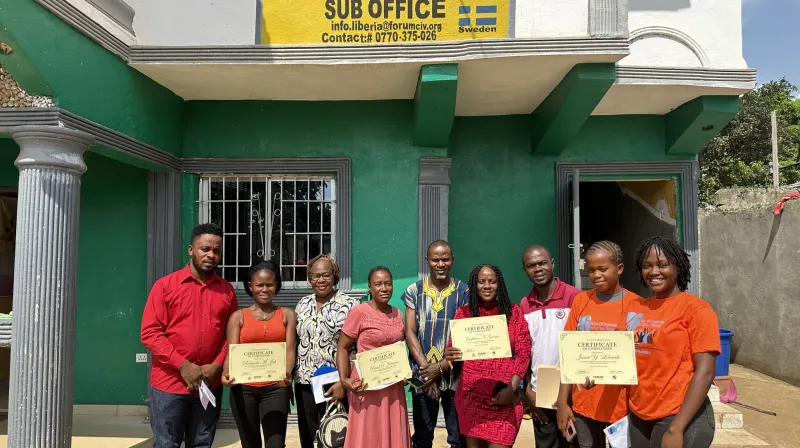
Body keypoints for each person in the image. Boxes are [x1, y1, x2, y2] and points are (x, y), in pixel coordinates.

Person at [141, 223, 238, 448]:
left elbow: (232, 335)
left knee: (202, 443)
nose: (211, 255)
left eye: (216, 251)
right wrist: (183, 365)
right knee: (167, 444)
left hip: (209, 383)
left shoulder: (226, 290)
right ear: (191, 250)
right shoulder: (165, 286)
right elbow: (150, 333)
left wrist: (217, 364)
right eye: (205, 249)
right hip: (170, 385)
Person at [626, 237, 720, 448]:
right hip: (640, 414)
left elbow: (705, 372)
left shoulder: (696, 310)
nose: (653, 271)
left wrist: (676, 427)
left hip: (678, 415)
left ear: (678, 266)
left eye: (662, 264)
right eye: (646, 266)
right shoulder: (638, 308)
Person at [556, 241, 639, 448]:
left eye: (603, 269)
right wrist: (562, 401)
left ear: (619, 268)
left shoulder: (637, 306)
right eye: (591, 270)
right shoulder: (581, 301)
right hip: (585, 401)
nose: (596, 275)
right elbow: (569, 355)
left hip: (621, 405)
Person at [445, 265, 532, 448]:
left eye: (492, 281)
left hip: (504, 396)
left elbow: (524, 352)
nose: (487, 286)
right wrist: (450, 353)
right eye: (482, 281)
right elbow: (454, 348)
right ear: (474, 285)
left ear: (498, 284)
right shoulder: (464, 313)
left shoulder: (513, 312)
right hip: (471, 398)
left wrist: (512, 388)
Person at [221, 260, 297, 448]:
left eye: (270, 284)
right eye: (259, 285)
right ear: (250, 286)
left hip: (275, 388)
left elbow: (289, 350)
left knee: (276, 443)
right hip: (243, 389)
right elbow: (232, 352)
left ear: (276, 285)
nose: (265, 289)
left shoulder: (287, 315)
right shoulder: (238, 317)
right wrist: (226, 374)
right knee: (250, 443)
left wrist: (287, 373)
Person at [337, 266, 411, 448]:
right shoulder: (359, 312)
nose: (383, 288)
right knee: (368, 433)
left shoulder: (398, 313)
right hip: (366, 385)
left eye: (388, 284)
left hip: (392, 386)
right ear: (370, 287)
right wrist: (344, 379)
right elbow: (342, 347)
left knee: (393, 432)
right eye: (378, 284)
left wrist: (404, 371)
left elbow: (399, 349)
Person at [404, 240, 469, 448]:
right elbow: (410, 331)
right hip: (422, 376)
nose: (440, 264)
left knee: (458, 438)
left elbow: (464, 336)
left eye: (445, 259)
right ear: (427, 261)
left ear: (452, 260)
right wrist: (427, 372)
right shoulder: (414, 291)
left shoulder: (464, 292)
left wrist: (439, 368)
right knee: (423, 437)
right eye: (435, 260)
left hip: (455, 376)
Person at [294, 254, 359, 448]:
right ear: (309, 278)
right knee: (309, 435)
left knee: (335, 436)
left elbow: (355, 349)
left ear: (335, 276)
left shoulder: (349, 306)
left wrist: (343, 381)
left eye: (326, 275)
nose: (321, 280)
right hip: (305, 382)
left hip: (334, 383)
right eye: (315, 276)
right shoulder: (302, 305)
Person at [519, 245, 580, 448]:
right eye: (531, 265)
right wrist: (528, 391)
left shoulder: (575, 298)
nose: (538, 269)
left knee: (572, 444)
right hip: (540, 395)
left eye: (542, 263)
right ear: (525, 270)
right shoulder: (525, 304)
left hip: (572, 393)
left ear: (552, 264)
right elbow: (525, 350)